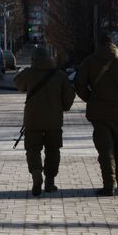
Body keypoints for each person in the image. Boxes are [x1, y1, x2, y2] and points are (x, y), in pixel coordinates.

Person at [75, 35, 118, 197]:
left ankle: (109, 186)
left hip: (99, 114)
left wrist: (91, 98)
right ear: (113, 44)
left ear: (98, 44)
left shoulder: (88, 62)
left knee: (105, 151)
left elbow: (79, 85)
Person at [15, 47, 76, 196]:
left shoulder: (29, 74)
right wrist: (64, 106)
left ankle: (36, 174)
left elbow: (17, 84)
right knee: (53, 150)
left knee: (33, 149)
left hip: (32, 120)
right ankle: (50, 182)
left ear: (34, 59)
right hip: (54, 121)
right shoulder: (60, 75)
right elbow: (69, 96)